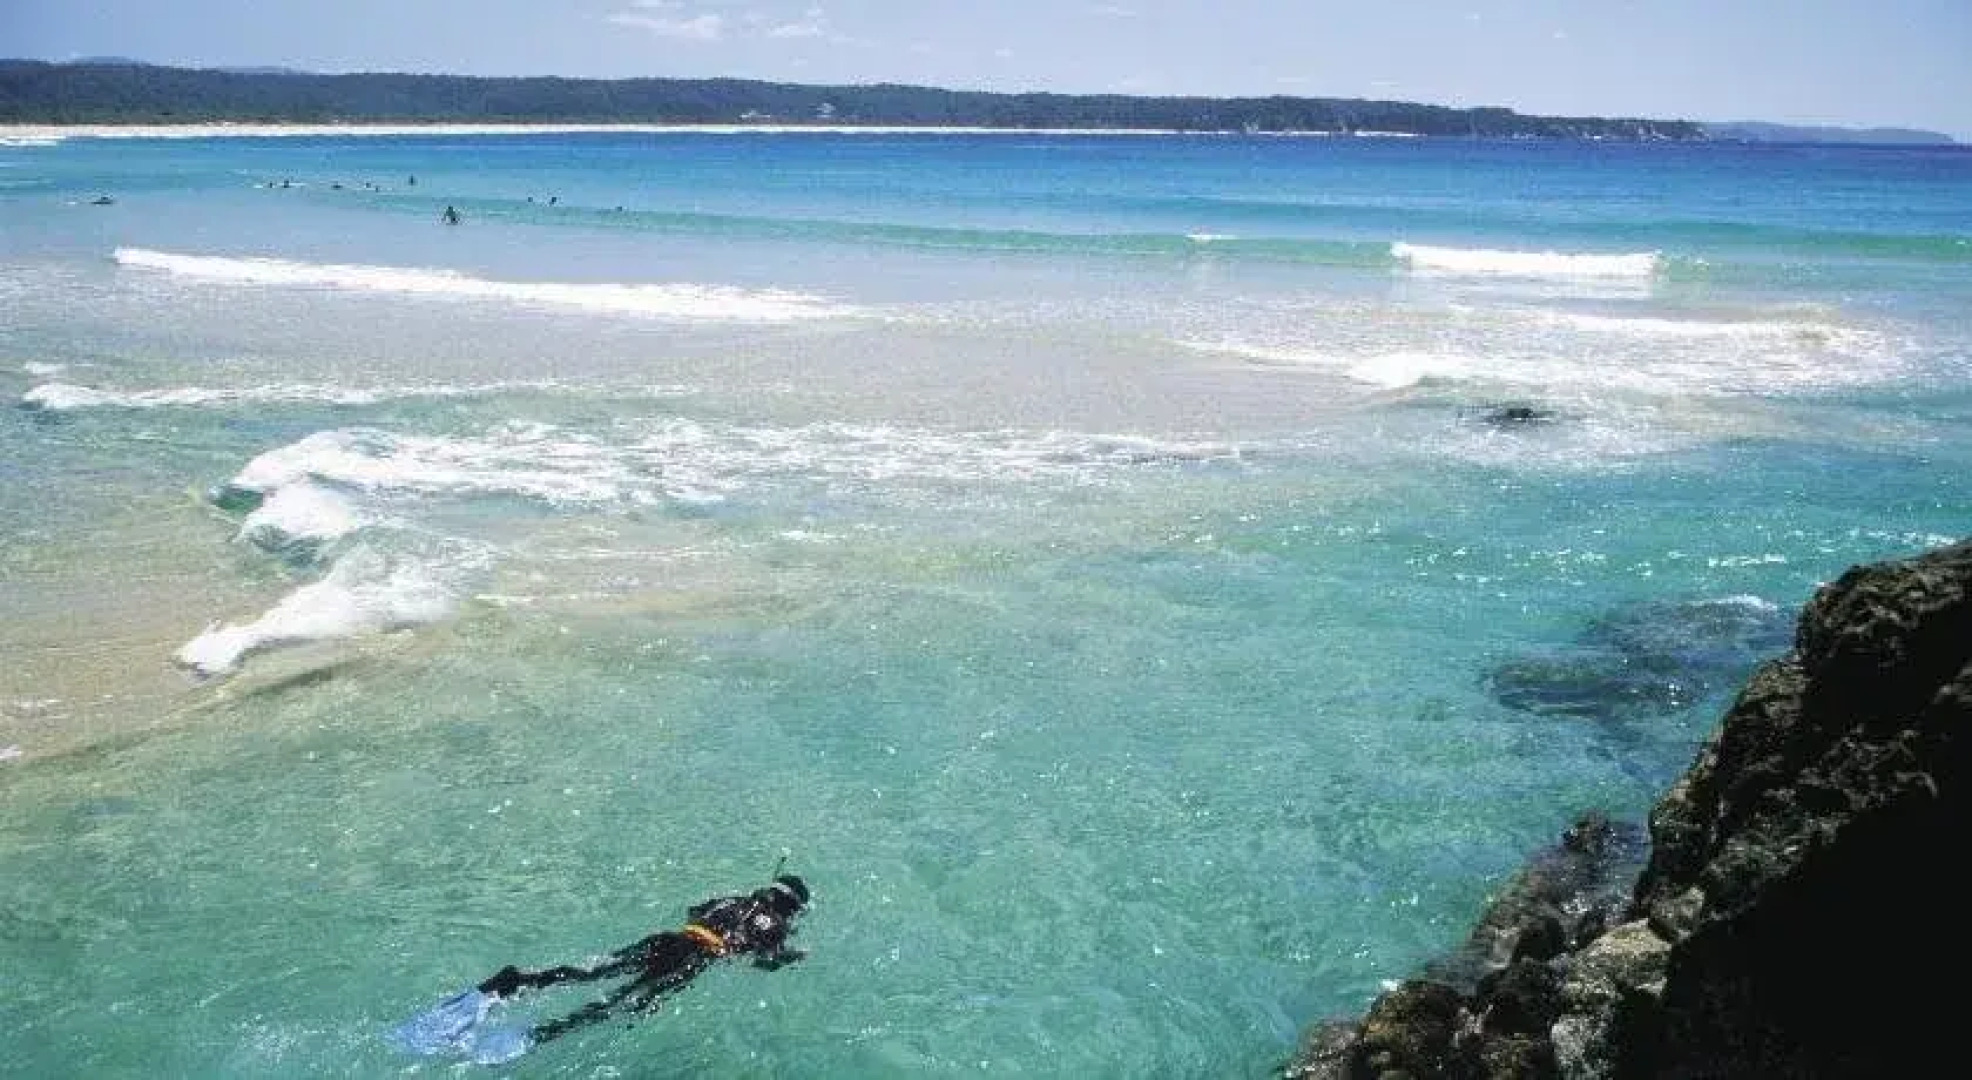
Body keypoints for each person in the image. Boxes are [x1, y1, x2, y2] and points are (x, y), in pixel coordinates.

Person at [473, 874, 810, 1046]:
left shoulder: (732, 899)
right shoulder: (776, 925)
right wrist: (793, 957)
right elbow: (766, 960)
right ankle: (544, 1034)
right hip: (692, 958)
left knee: (591, 972)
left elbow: (694, 910)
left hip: (669, 939)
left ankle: (518, 979)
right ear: (790, 906)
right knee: (624, 1003)